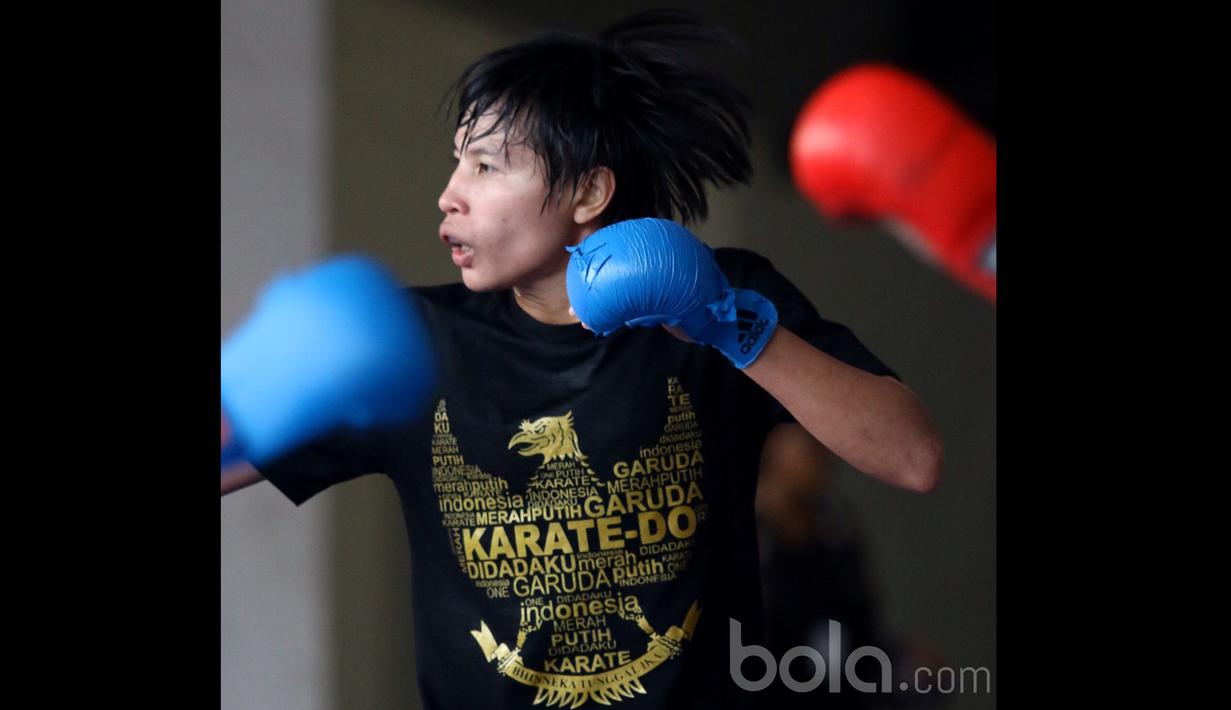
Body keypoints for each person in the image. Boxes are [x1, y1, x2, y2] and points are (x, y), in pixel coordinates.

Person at [221, 9, 942, 709]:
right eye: (456, 164)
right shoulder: (421, 340)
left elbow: (913, 458)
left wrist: (734, 329)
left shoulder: (724, 301)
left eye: (485, 166)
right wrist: (250, 382)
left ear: (588, 191)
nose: (449, 196)